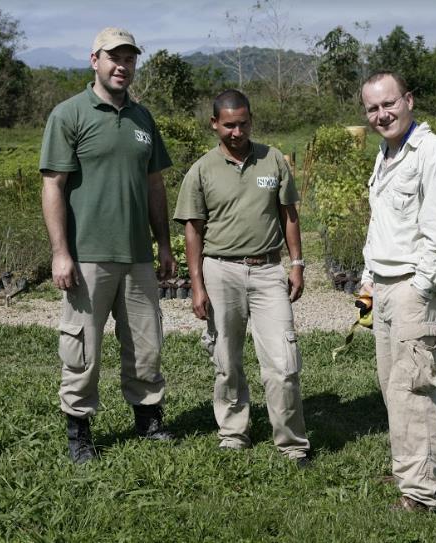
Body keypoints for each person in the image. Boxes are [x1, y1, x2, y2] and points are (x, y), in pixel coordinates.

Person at [40, 27, 175, 464]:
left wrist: (164, 245)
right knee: (83, 347)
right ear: (93, 60)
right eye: (113, 57)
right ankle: (79, 430)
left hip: (137, 254)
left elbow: (155, 185)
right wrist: (61, 252)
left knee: (146, 341)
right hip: (88, 256)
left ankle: (148, 418)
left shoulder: (142, 118)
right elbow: (53, 186)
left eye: (130, 58)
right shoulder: (69, 114)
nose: (122, 66)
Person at [173, 89, 311, 465]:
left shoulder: (273, 161)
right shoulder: (201, 170)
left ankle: (292, 444)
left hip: (268, 270)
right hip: (221, 270)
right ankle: (234, 433)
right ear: (215, 124)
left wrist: (296, 264)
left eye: (243, 123)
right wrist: (197, 285)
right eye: (229, 125)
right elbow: (193, 230)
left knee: (284, 363)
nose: (237, 132)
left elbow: (289, 215)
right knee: (227, 360)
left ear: (252, 120)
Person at [358, 72, 436, 511]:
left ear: (409, 101)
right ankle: (411, 470)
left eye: (389, 104)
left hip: (411, 289)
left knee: (414, 389)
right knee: (393, 387)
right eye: (372, 108)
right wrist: (368, 278)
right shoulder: (387, 153)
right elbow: (382, 224)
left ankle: (423, 495)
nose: (381, 114)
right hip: (384, 286)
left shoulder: (433, 152)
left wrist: (421, 288)